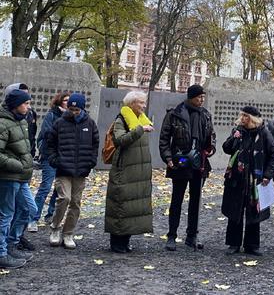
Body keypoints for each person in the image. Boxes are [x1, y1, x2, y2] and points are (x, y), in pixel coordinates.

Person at [159, 84, 216, 251]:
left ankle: (192, 236)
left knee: (196, 201)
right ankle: (171, 236)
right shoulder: (174, 114)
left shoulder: (206, 115)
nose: (202, 100)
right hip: (180, 161)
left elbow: (211, 136)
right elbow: (164, 139)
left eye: (203, 97)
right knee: (176, 200)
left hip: (200, 163)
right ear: (191, 97)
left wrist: (211, 148)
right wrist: (168, 158)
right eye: (199, 97)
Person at [221, 106, 274, 256]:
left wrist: (268, 174)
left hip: (256, 178)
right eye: (242, 116)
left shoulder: (264, 133)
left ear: (252, 119)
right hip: (237, 177)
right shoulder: (238, 130)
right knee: (235, 210)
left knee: (254, 212)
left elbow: (273, 154)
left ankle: (252, 245)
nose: (242, 118)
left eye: (246, 116)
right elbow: (226, 148)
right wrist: (235, 137)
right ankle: (233, 243)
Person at [47, 92, 99, 249]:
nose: (73, 112)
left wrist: (91, 162)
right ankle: (55, 228)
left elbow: (95, 143)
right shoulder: (60, 123)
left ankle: (68, 232)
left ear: (82, 109)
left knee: (76, 202)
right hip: (63, 169)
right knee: (64, 199)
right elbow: (50, 144)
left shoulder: (90, 123)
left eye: (77, 110)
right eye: (71, 109)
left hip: (81, 170)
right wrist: (55, 160)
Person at [104, 91, 154, 253]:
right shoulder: (121, 120)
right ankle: (117, 242)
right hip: (124, 170)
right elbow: (120, 140)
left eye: (144, 102)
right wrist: (140, 130)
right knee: (120, 205)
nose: (143, 106)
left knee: (132, 207)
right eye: (140, 102)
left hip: (137, 172)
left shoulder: (140, 120)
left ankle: (125, 240)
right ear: (131, 104)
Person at [0, 89, 34, 268]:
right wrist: (17, 165)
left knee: (28, 208)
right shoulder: (4, 123)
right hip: (8, 177)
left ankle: (10, 244)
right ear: (15, 105)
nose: (29, 106)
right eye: (26, 103)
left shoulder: (20, 121)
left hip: (20, 177)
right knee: (5, 215)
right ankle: (1, 253)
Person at [31, 92, 68, 231]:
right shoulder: (51, 115)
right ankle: (33, 218)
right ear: (59, 102)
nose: (68, 102)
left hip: (64, 157)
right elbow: (47, 133)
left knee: (59, 188)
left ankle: (50, 215)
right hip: (50, 156)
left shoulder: (71, 117)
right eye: (65, 100)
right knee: (45, 187)